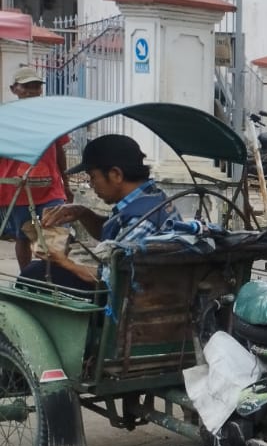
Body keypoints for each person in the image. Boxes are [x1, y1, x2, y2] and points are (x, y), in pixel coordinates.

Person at [27, 134, 172, 291]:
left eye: (93, 177)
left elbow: (108, 278)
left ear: (116, 174)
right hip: (138, 284)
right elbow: (113, 232)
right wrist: (82, 212)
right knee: (38, 269)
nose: (91, 184)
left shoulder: (141, 221)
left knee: (34, 274)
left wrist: (64, 262)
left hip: (126, 297)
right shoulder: (153, 196)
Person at [0, 66, 70, 269]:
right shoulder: (5, 117)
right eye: (27, 87)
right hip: (17, 187)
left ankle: (50, 277)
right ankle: (27, 278)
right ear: (14, 89)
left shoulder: (50, 116)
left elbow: (60, 149)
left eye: (36, 87)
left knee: (55, 235)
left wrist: (66, 182)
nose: (32, 91)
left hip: (50, 187)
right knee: (22, 237)